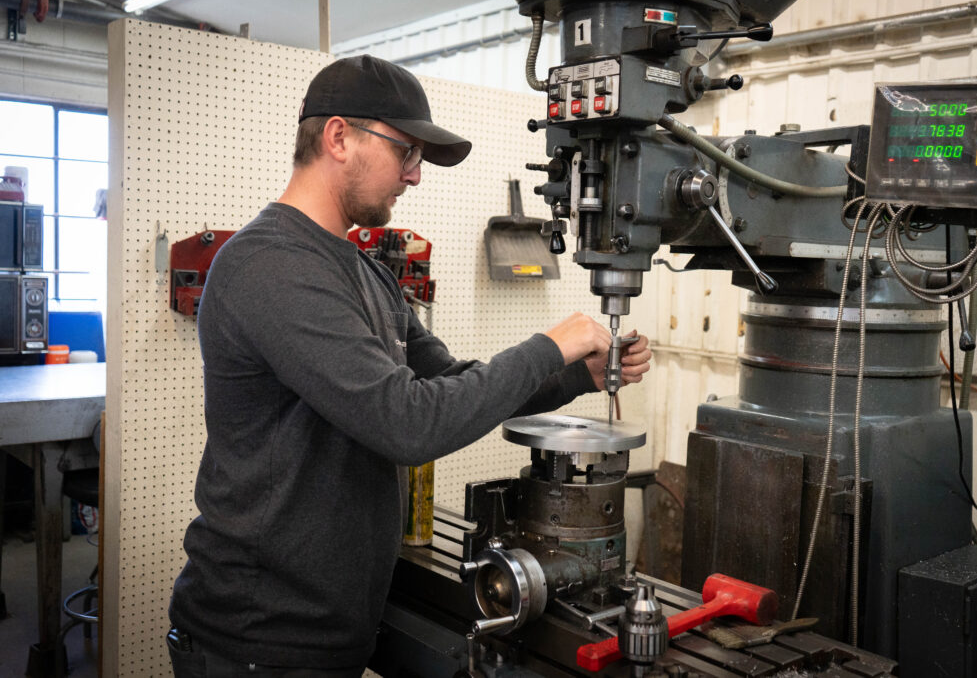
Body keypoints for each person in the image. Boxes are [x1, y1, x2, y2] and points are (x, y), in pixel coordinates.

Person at [167, 54, 652, 677]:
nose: (415, 177)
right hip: (259, 641)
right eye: (407, 153)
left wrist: (575, 375)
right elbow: (409, 424)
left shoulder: (363, 270)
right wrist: (547, 345)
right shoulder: (271, 266)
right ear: (339, 137)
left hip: (329, 632)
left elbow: (444, 382)